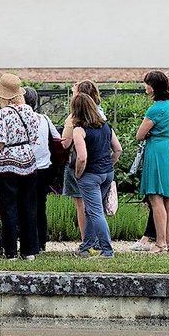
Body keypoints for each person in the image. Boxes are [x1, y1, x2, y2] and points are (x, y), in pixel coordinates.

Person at [0, 73, 42, 260]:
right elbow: (35, 137)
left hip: (7, 165)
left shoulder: (2, 114)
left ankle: (10, 251)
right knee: (28, 207)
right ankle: (29, 251)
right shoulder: (29, 111)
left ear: (3, 95)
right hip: (28, 161)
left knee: (8, 207)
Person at [69, 94, 122, 258]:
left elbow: (82, 157)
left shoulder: (79, 130)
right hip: (107, 173)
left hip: (90, 174)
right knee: (90, 210)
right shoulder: (106, 126)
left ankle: (107, 250)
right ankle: (86, 245)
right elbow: (118, 149)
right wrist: (108, 165)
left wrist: (78, 174)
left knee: (95, 211)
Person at [135, 71, 169, 254]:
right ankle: (168, 241)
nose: (145, 87)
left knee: (155, 197)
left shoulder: (155, 108)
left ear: (153, 86)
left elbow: (140, 134)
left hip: (156, 150)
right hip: (168, 149)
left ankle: (160, 242)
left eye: (147, 84)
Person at [60, 80, 105, 243]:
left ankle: (86, 240)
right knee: (95, 206)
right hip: (100, 164)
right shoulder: (100, 114)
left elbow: (65, 142)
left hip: (79, 164)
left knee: (81, 204)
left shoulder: (74, 119)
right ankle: (99, 240)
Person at [24, 87, 62, 253]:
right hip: (45, 167)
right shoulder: (44, 118)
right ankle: (41, 242)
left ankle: (29, 241)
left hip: (27, 167)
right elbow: (58, 139)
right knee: (40, 205)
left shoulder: (21, 118)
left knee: (26, 205)